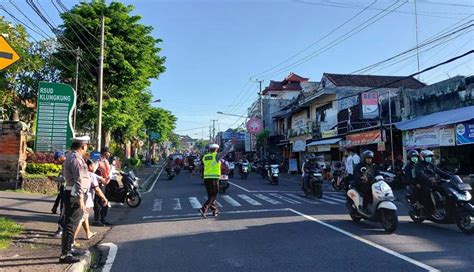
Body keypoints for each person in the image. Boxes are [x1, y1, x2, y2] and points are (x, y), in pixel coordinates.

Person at [59, 136, 90, 264]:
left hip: (72, 192)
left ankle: (69, 249)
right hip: (74, 194)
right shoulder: (76, 159)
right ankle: (65, 254)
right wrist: (80, 198)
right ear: (83, 146)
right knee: (70, 224)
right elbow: (78, 179)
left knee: (71, 223)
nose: (86, 148)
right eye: (86, 146)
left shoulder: (70, 156)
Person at [73, 160, 109, 246]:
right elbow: (97, 189)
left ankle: (88, 233)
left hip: (78, 197)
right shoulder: (91, 175)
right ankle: (72, 240)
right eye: (93, 166)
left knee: (85, 217)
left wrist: (103, 179)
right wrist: (104, 198)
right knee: (81, 219)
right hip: (86, 199)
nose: (95, 167)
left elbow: (100, 178)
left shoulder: (81, 173)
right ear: (89, 166)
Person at [199, 141, 235, 218]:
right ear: (216, 149)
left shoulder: (205, 156)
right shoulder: (216, 156)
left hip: (206, 178)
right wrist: (231, 144)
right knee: (214, 195)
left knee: (210, 196)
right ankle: (204, 208)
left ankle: (215, 210)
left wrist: (194, 172)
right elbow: (225, 152)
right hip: (214, 178)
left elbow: (201, 165)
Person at [415, 150, 450, 215]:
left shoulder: (432, 165)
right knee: (428, 192)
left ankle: (445, 207)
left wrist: (450, 176)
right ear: (423, 157)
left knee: (445, 189)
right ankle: (429, 209)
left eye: (430, 157)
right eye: (428, 157)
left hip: (433, 183)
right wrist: (429, 178)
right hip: (424, 184)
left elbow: (440, 172)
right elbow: (421, 174)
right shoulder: (419, 166)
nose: (429, 158)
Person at [93, 147, 112, 226]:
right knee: (98, 202)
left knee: (105, 201)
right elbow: (92, 172)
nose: (109, 154)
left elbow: (108, 171)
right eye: (108, 152)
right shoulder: (98, 161)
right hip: (100, 184)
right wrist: (100, 178)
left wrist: (109, 177)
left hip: (106, 184)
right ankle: (97, 220)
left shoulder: (107, 161)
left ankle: (103, 219)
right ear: (104, 153)